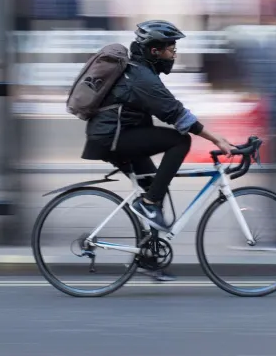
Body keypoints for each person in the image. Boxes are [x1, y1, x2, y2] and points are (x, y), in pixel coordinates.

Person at [81, 20, 233, 231]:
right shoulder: (141, 78)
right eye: (171, 49)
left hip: (114, 136)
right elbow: (176, 114)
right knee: (180, 140)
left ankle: (149, 250)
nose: (174, 55)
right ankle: (149, 205)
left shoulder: (139, 72)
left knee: (155, 186)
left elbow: (169, 110)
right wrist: (217, 139)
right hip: (112, 138)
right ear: (155, 50)